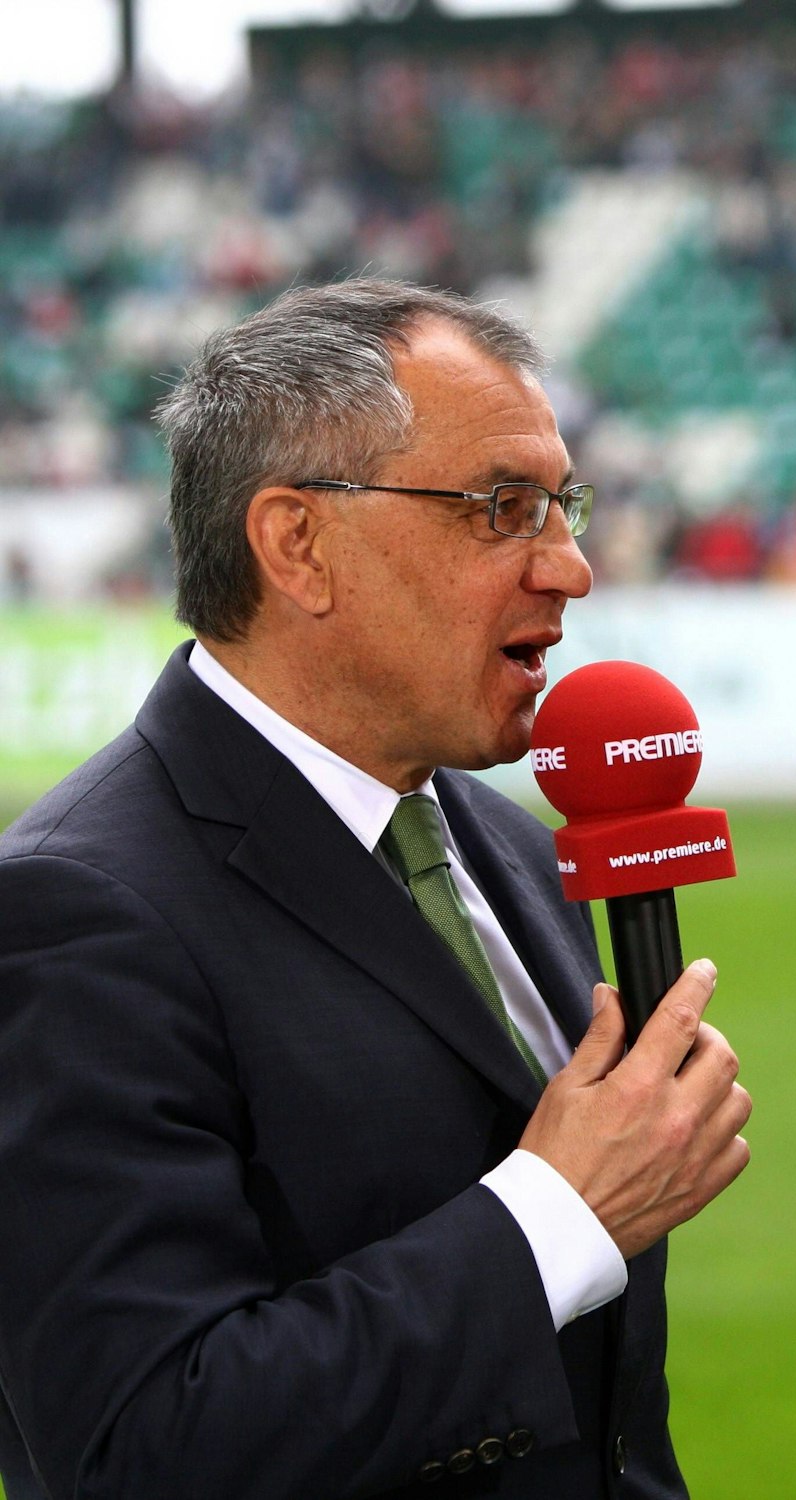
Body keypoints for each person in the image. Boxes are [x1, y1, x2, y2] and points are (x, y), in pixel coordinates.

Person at [0, 280, 752, 1499]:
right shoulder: (76, 912)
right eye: (503, 507)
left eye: (563, 506)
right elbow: (144, 1447)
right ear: (298, 544)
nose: (570, 568)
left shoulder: (513, 850)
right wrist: (556, 1214)